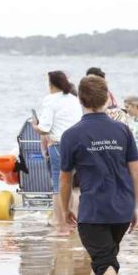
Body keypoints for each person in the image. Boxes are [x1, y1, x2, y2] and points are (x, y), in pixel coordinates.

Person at [59, 75, 138, 275]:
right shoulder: (123, 131)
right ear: (107, 97)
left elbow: (65, 178)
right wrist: (134, 205)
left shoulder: (71, 135)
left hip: (94, 211)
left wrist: (64, 208)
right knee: (101, 262)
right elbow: (136, 171)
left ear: (81, 100)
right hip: (120, 209)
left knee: (105, 264)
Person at [33, 71, 83, 235]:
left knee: (58, 185)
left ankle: (61, 226)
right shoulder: (74, 99)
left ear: (51, 85)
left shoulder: (50, 100)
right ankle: (75, 222)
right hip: (78, 144)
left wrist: (34, 124)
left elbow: (44, 128)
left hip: (59, 145)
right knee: (74, 185)